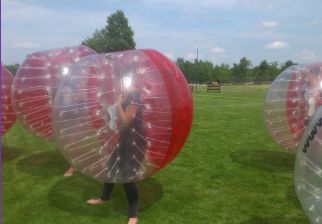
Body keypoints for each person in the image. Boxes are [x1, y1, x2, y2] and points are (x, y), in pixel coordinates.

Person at [87, 88, 146, 224]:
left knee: (127, 176)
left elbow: (126, 121)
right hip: (125, 140)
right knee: (111, 167)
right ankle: (104, 198)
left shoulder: (134, 101)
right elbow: (119, 121)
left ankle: (133, 214)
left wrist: (119, 104)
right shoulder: (127, 98)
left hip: (134, 143)